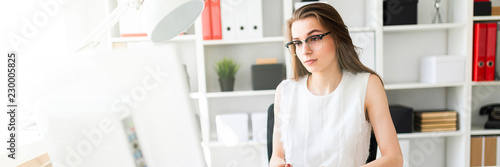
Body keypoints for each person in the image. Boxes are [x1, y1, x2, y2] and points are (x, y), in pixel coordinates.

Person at [270, 3, 403, 167]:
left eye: (314, 38)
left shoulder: (367, 85)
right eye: (297, 43)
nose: (305, 50)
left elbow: (394, 158)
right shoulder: (285, 91)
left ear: (337, 37)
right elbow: (276, 156)